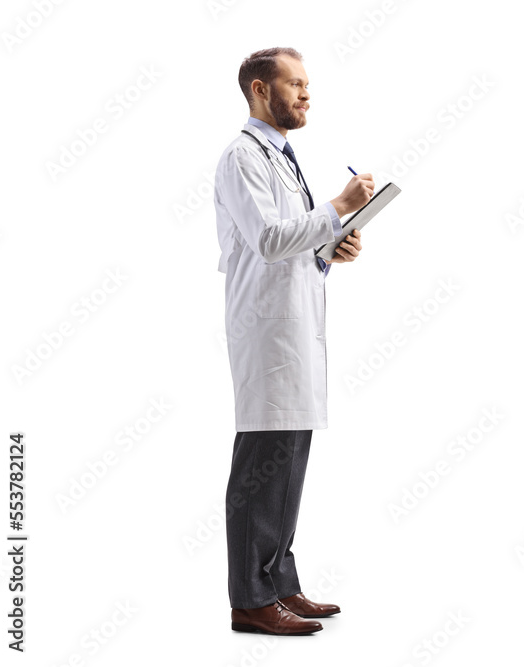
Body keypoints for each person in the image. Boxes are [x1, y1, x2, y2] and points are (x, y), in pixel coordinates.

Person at [213, 46, 374, 635]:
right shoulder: (241, 157)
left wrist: (332, 246)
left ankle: (280, 582)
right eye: (295, 84)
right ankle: (250, 600)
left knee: (289, 461)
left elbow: (296, 244)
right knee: (260, 466)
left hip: (296, 329)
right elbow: (267, 239)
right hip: (266, 332)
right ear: (260, 90)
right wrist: (338, 207)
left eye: (308, 84)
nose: (306, 93)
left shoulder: (282, 155)